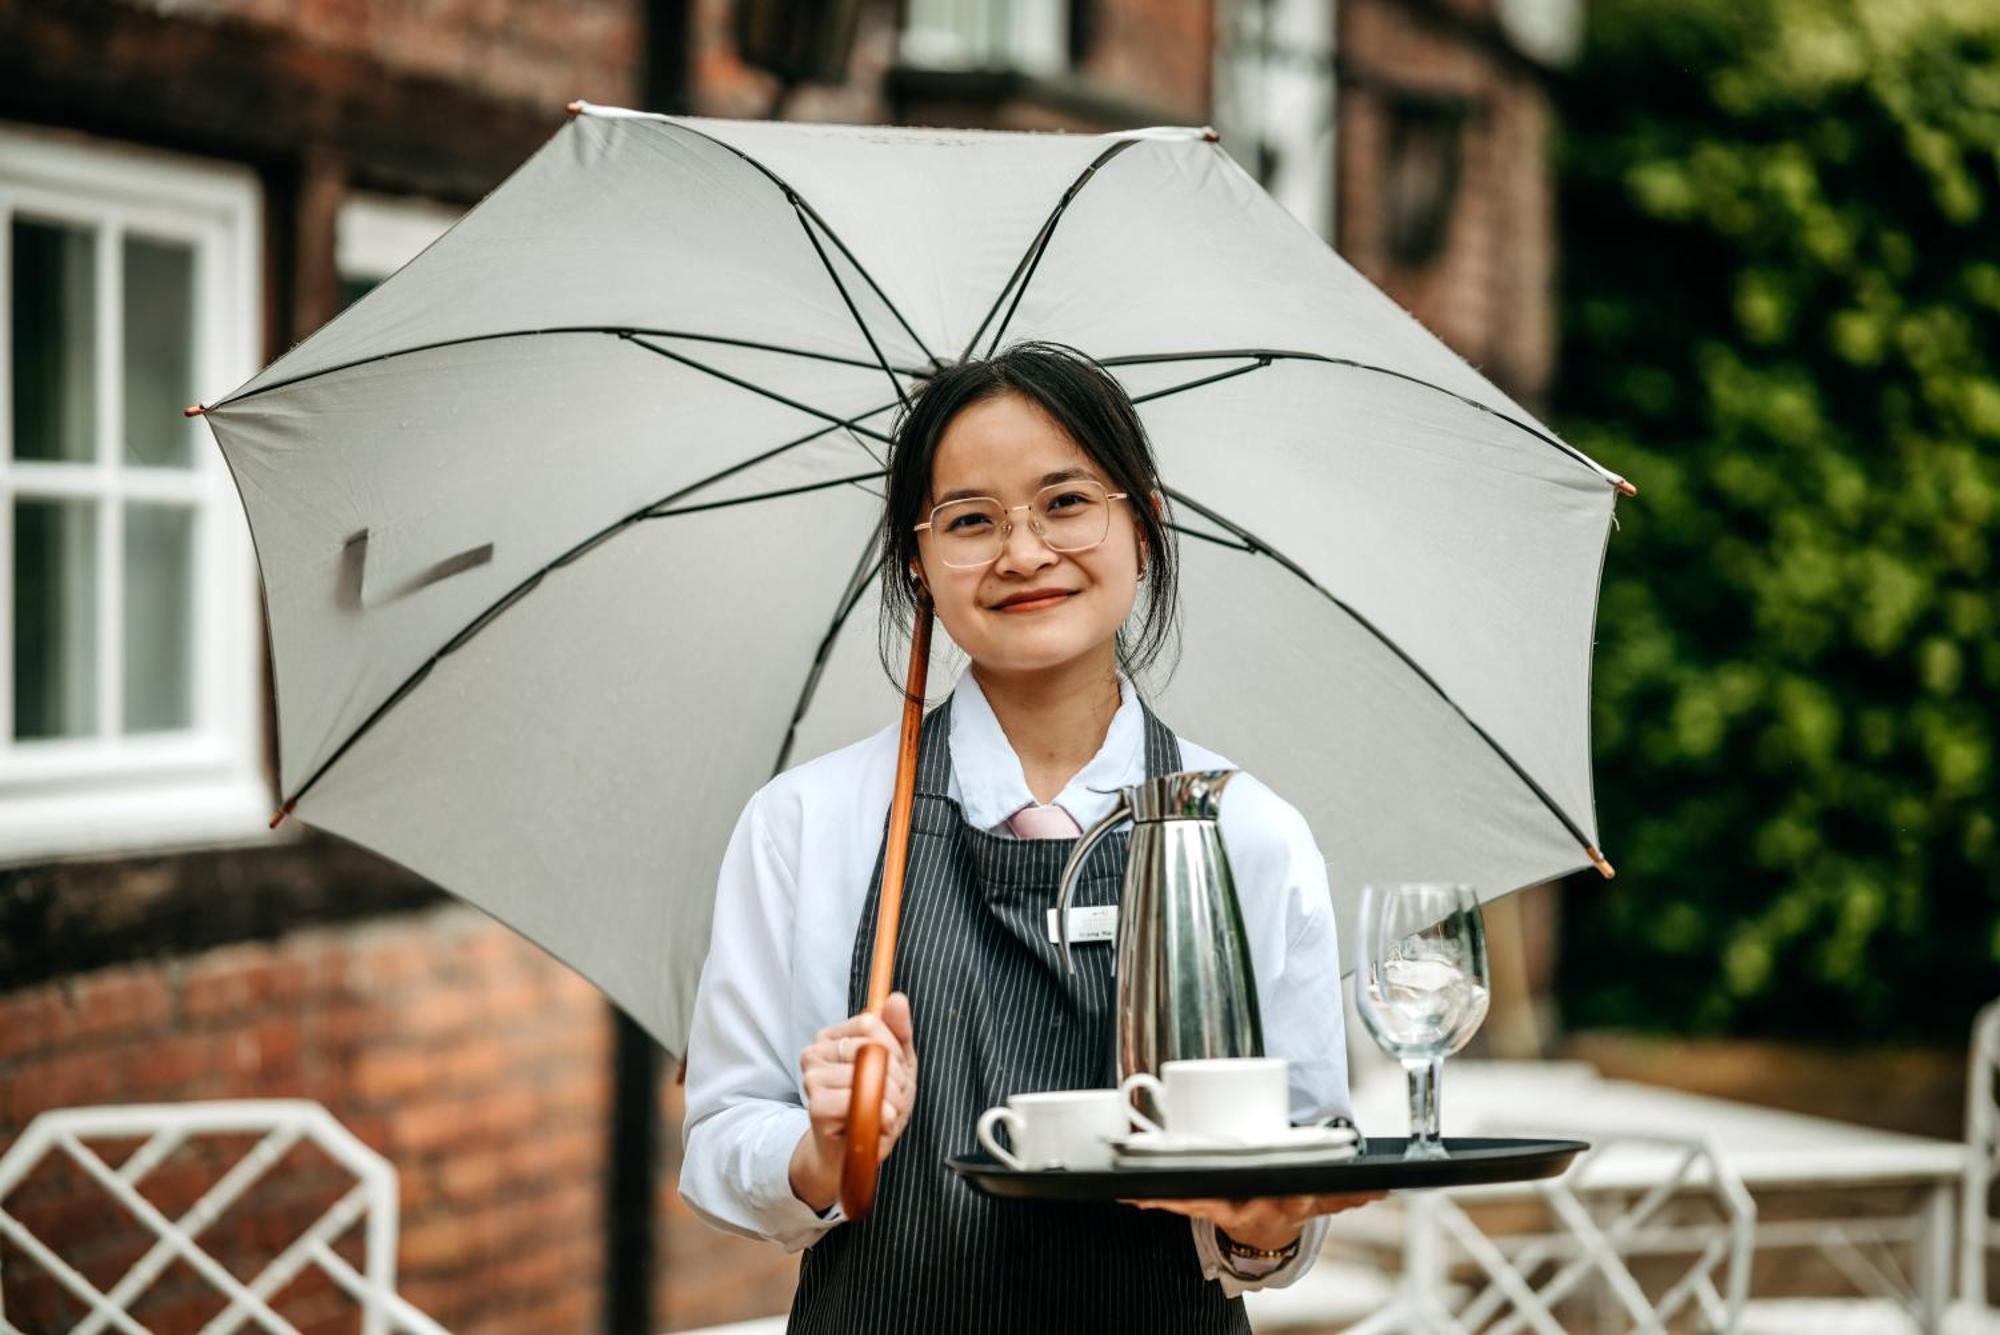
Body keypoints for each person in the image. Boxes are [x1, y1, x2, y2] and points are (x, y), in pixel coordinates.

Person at [679, 341, 1378, 1333]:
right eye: (969, 520)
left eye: (1064, 502)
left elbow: (1300, 1159)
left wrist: (1261, 1226)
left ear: (1143, 527)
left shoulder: (1249, 833)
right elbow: (718, 1144)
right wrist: (825, 1153)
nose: (1021, 552)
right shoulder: (805, 823)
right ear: (917, 564)